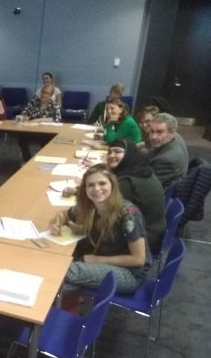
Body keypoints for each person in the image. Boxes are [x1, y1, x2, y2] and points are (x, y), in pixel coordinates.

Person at [50, 164, 152, 295]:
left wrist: (98, 260)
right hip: (101, 256)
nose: (96, 189)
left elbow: (138, 259)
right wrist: (56, 224)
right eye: (90, 185)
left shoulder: (129, 214)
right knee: (60, 281)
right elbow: (63, 214)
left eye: (102, 183)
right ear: (85, 189)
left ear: (112, 185)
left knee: (64, 270)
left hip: (130, 272)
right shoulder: (92, 206)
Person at [106, 138, 166, 253]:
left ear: (129, 154)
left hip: (142, 241)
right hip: (152, 230)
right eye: (109, 152)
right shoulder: (138, 169)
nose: (112, 155)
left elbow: (107, 212)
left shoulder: (126, 183)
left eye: (117, 151)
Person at [17, 85, 62, 162]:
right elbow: (23, 114)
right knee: (21, 137)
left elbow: (57, 120)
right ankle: (27, 160)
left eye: (47, 93)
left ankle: (43, 160)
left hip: (46, 132)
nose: (44, 94)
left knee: (44, 139)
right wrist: (24, 117)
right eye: (43, 92)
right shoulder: (33, 102)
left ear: (50, 96)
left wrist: (39, 120)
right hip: (32, 130)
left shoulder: (54, 105)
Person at [146, 112, 190, 188]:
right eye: (152, 131)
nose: (153, 137)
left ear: (172, 132)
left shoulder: (166, 160)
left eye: (160, 132)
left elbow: (148, 185)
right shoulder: (174, 137)